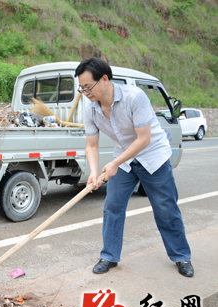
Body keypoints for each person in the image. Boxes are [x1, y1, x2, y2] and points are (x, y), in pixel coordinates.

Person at [74, 57, 193, 278]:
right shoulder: (90, 109)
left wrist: (114, 163)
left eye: (88, 87)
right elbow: (91, 145)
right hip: (124, 160)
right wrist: (93, 172)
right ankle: (109, 256)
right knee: (112, 208)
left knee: (165, 209)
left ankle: (181, 256)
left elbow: (143, 139)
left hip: (152, 157)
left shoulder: (134, 97)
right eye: (82, 89)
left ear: (104, 80)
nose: (86, 92)